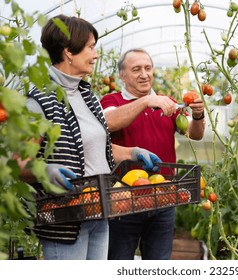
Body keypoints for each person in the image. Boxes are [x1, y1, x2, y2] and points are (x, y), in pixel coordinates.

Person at [17, 15, 161, 260]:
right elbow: (19, 163)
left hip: (99, 213)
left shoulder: (87, 95)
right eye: (91, 47)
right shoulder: (39, 101)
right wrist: (45, 170)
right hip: (67, 219)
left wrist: (132, 152)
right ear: (68, 52)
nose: (96, 55)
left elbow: (95, 148)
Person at [100, 48, 206, 260]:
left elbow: (194, 134)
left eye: (148, 68)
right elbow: (109, 121)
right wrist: (147, 101)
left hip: (163, 198)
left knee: (158, 264)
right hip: (124, 199)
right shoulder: (112, 101)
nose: (144, 74)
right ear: (122, 75)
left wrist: (198, 115)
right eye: (136, 69)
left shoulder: (166, 102)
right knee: (118, 261)